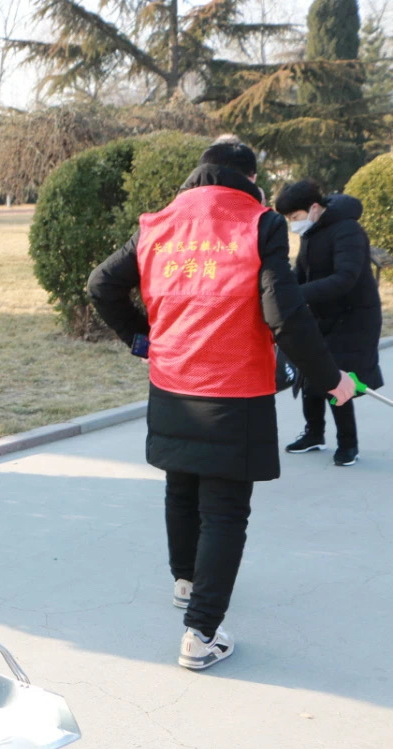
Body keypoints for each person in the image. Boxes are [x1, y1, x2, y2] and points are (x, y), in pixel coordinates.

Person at [87, 141, 355, 671]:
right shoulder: (259, 223)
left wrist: (144, 339)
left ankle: (187, 586)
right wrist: (331, 379)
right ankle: (201, 634)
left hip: (171, 385)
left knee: (182, 488)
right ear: (249, 176)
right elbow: (286, 313)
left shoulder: (157, 223)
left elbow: (101, 284)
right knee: (225, 512)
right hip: (234, 391)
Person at [273, 179, 382, 466]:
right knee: (310, 372)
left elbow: (345, 278)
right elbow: (301, 273)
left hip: (353, 317)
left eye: (293, 218)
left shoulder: (348, 230)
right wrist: (282, 292)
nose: (292, 224)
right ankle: (314, 433)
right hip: (322, 313)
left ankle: (348, 444)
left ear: (314, 208)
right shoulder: (312, 232)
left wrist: (298, 294)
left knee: (337, 379)